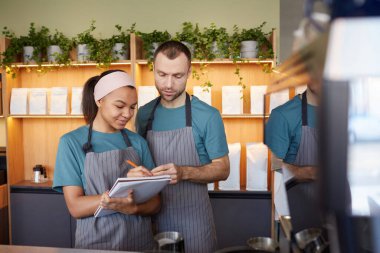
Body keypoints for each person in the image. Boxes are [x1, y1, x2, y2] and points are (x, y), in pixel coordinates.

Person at [133, 40, 230, 253]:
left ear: (189, 72)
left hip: (195, 224)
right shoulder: (143, 115)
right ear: (153, 71)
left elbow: (223, 169)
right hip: (152, 221)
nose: (168, 84)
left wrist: (184, 172)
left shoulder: (208, 115)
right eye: (161, 74)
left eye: (177, 76)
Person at [53, 70, 160, 251]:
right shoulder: (71, 142)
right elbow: (75, 207)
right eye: (119, 106)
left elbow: (156, 203)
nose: (127, 114)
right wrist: (116, 197)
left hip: (140, 241)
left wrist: (133, 208)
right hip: (96, 243)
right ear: (99, 101)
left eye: (132, 107)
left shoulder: (138, 142)